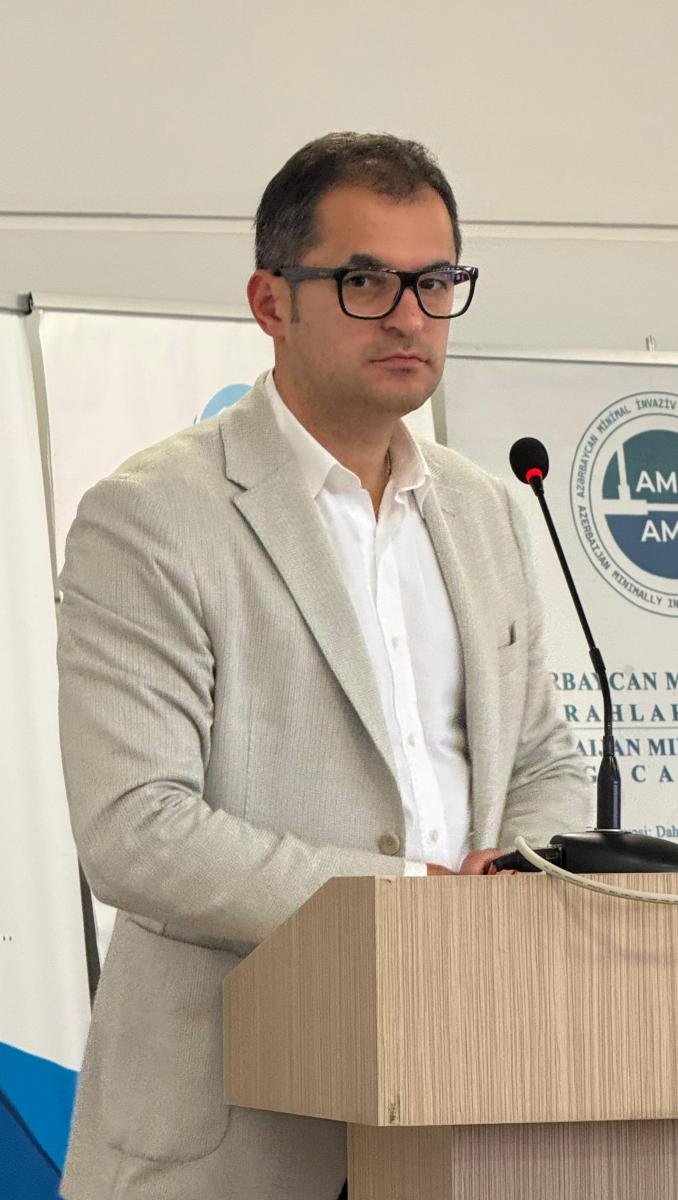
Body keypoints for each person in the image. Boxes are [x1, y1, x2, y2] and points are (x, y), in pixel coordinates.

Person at [56, 132, 591, 1200]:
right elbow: (135, 830)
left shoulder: (487, 510)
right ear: (271, 301)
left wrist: (518, 884)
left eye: (435, 282)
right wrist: (411, 905)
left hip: (465, 1109)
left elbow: (541, 759)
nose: (409, 316)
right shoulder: (153, 517)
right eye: (364, 281)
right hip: (234, 1137)